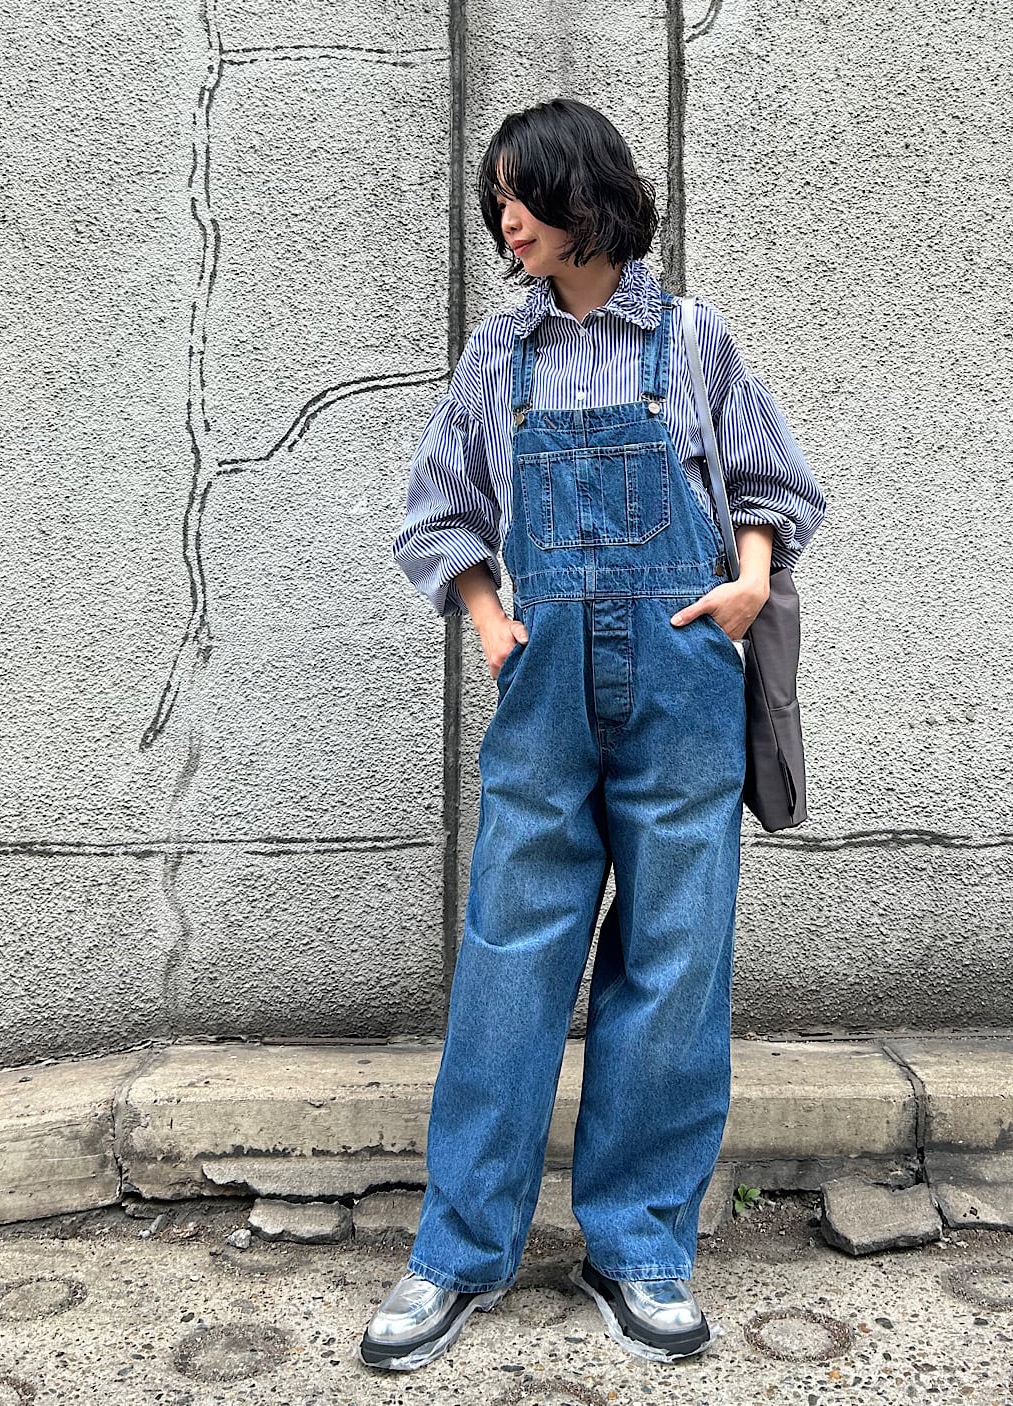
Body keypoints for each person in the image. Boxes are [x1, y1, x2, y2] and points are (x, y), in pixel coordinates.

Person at [359, 97, 826, 1372]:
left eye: (524, 194)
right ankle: (459, 1251)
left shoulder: (694, 338)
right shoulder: (495, 355)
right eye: (496, 198)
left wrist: (746, 579)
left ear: (586, 195)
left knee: (673, 964)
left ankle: (638, 1247)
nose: (506, 219)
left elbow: (770, 481)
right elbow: (438, 508)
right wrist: (488, 619)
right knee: (510, 959)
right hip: (545, 687)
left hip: (682, 680)